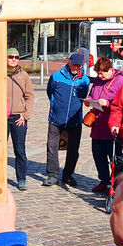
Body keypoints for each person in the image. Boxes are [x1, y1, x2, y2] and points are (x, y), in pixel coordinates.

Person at [44, 53, 91, 188]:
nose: (75, 67)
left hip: (74, 121)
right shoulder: (56, 77)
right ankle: (53, 175)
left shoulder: (85, 80)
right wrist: (56, 107)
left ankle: (68, 175)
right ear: (69, 62)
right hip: (56, 119)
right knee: (51, 148)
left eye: (78, 65)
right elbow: (50, 92)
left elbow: (83, 96)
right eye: (73, 64)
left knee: (73, 150)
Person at [87, 56, 123, 193]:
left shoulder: (121, 82)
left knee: (115, 157)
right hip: (97, 126)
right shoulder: (98, 80)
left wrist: (108, 103)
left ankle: (118, 183)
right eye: (98, 73)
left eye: (102, 73)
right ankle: (104, 181)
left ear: (109, 69)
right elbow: (92, 94)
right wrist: (89, 100)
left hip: (112, 126)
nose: (99, 76)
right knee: (98, 156)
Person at [7, 48, 36, 191]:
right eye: (11, 56)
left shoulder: (23, 75)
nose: (14, 59)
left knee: (19, 150)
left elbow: (30, 96)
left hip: (18, 118)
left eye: (16, 57)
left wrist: (25, 115)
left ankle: (22, 179)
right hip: (2, 117)